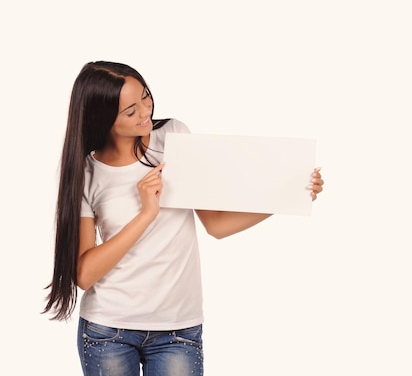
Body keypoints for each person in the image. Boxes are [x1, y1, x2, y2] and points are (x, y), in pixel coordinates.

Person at [42, 61, 324, 376]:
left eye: (145, 97)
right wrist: (146, 214)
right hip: (109, 331)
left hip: (178, 330)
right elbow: (84, 274)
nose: (145, 112)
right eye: (130, 111)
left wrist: (286, 196)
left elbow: (216, 225)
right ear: (102, 118)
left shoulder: (173, 137)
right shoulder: (86, 172)